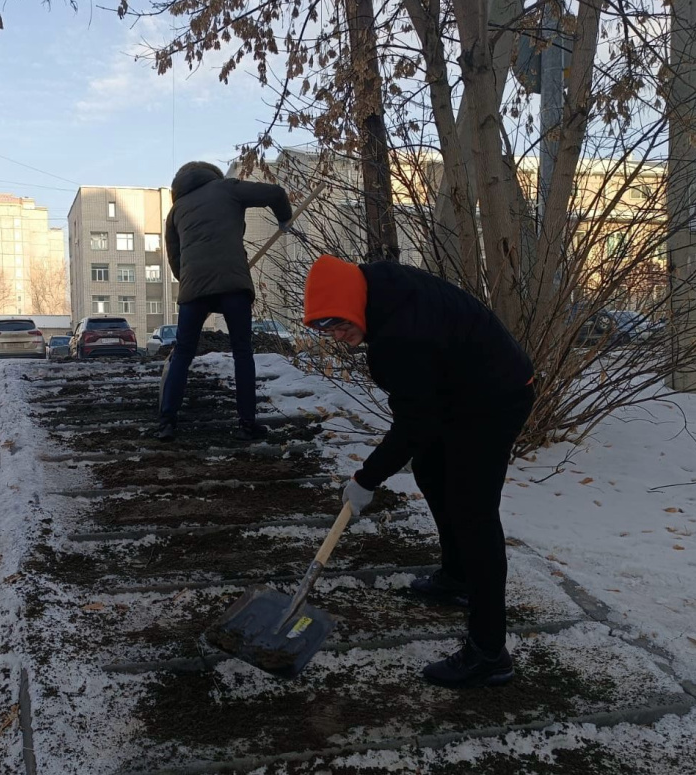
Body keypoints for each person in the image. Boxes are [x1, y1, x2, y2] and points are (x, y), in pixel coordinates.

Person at [302, 254, 535, 689]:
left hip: (494, 396)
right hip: (459, 387)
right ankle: (457, 576)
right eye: (322, 326)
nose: (334, 334)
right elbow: (423, 414)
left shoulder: (399, 337)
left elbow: (414, 423)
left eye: (336, 322)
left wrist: (365, 479)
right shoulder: (372, 287)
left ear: (353, 301)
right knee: (431, 470)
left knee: (473, 514)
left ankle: (488, 653)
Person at [158, 162, 293, 442]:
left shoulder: (175, 211)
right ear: (212, 174)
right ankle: (247, 424)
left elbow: (174, 259)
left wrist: (191, 282)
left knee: (183, 353)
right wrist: (284, 220)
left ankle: (167, 423)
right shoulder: (226, 188)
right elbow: (276, 194)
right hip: (233, 284)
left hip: (193, 289)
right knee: (242, 351)